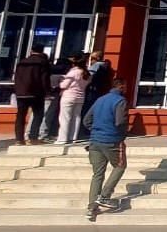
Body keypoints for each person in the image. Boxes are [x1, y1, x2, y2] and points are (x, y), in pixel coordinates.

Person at [82, 78, 128, 221]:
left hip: (95, 141)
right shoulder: (120, 101)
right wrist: (121, 135)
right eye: (125, 86)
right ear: (121, 86)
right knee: (120, 166)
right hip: (112, 140)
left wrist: (96, 130)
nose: (126, 88)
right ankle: (105, 196)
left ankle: (91, 207)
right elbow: (120, 122)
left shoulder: (100, 100)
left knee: (97, 174)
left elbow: (86, 120)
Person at [12, 43, 51, 145]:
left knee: (20, 116)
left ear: (31, 50)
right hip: (36, 92)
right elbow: (44, 79)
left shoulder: (22, 62)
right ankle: (33, 138)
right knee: (38, 115)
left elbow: (16, 77)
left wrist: (17, 90)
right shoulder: (42, 62)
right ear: (42, 51)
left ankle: (19, 139)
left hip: (21, 93)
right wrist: (48, 92)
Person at [55, 55, 91, 145]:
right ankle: (73, 137)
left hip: (69, 96)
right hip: (80, 96)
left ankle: (62, 138)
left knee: (65, 117)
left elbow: (64, 85)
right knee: (76, 117)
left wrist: (60, 82)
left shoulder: (73, 72)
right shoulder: (87, 73)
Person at [81, 51, 113, 139]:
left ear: (98, 58)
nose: (91, 61)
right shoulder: (105, 67)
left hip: (92, 90)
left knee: (87, 110)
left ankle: (86, 129)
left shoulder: (96, 66)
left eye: (93, 58)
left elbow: (88, 78)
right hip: (99, 91)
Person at [40, 56, 70, 142]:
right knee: (48, 114)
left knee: (40, 114)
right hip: (51, 95)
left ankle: (33, 133)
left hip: (42, 94)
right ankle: (42, 134)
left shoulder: (46, 70)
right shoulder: (61, 73)